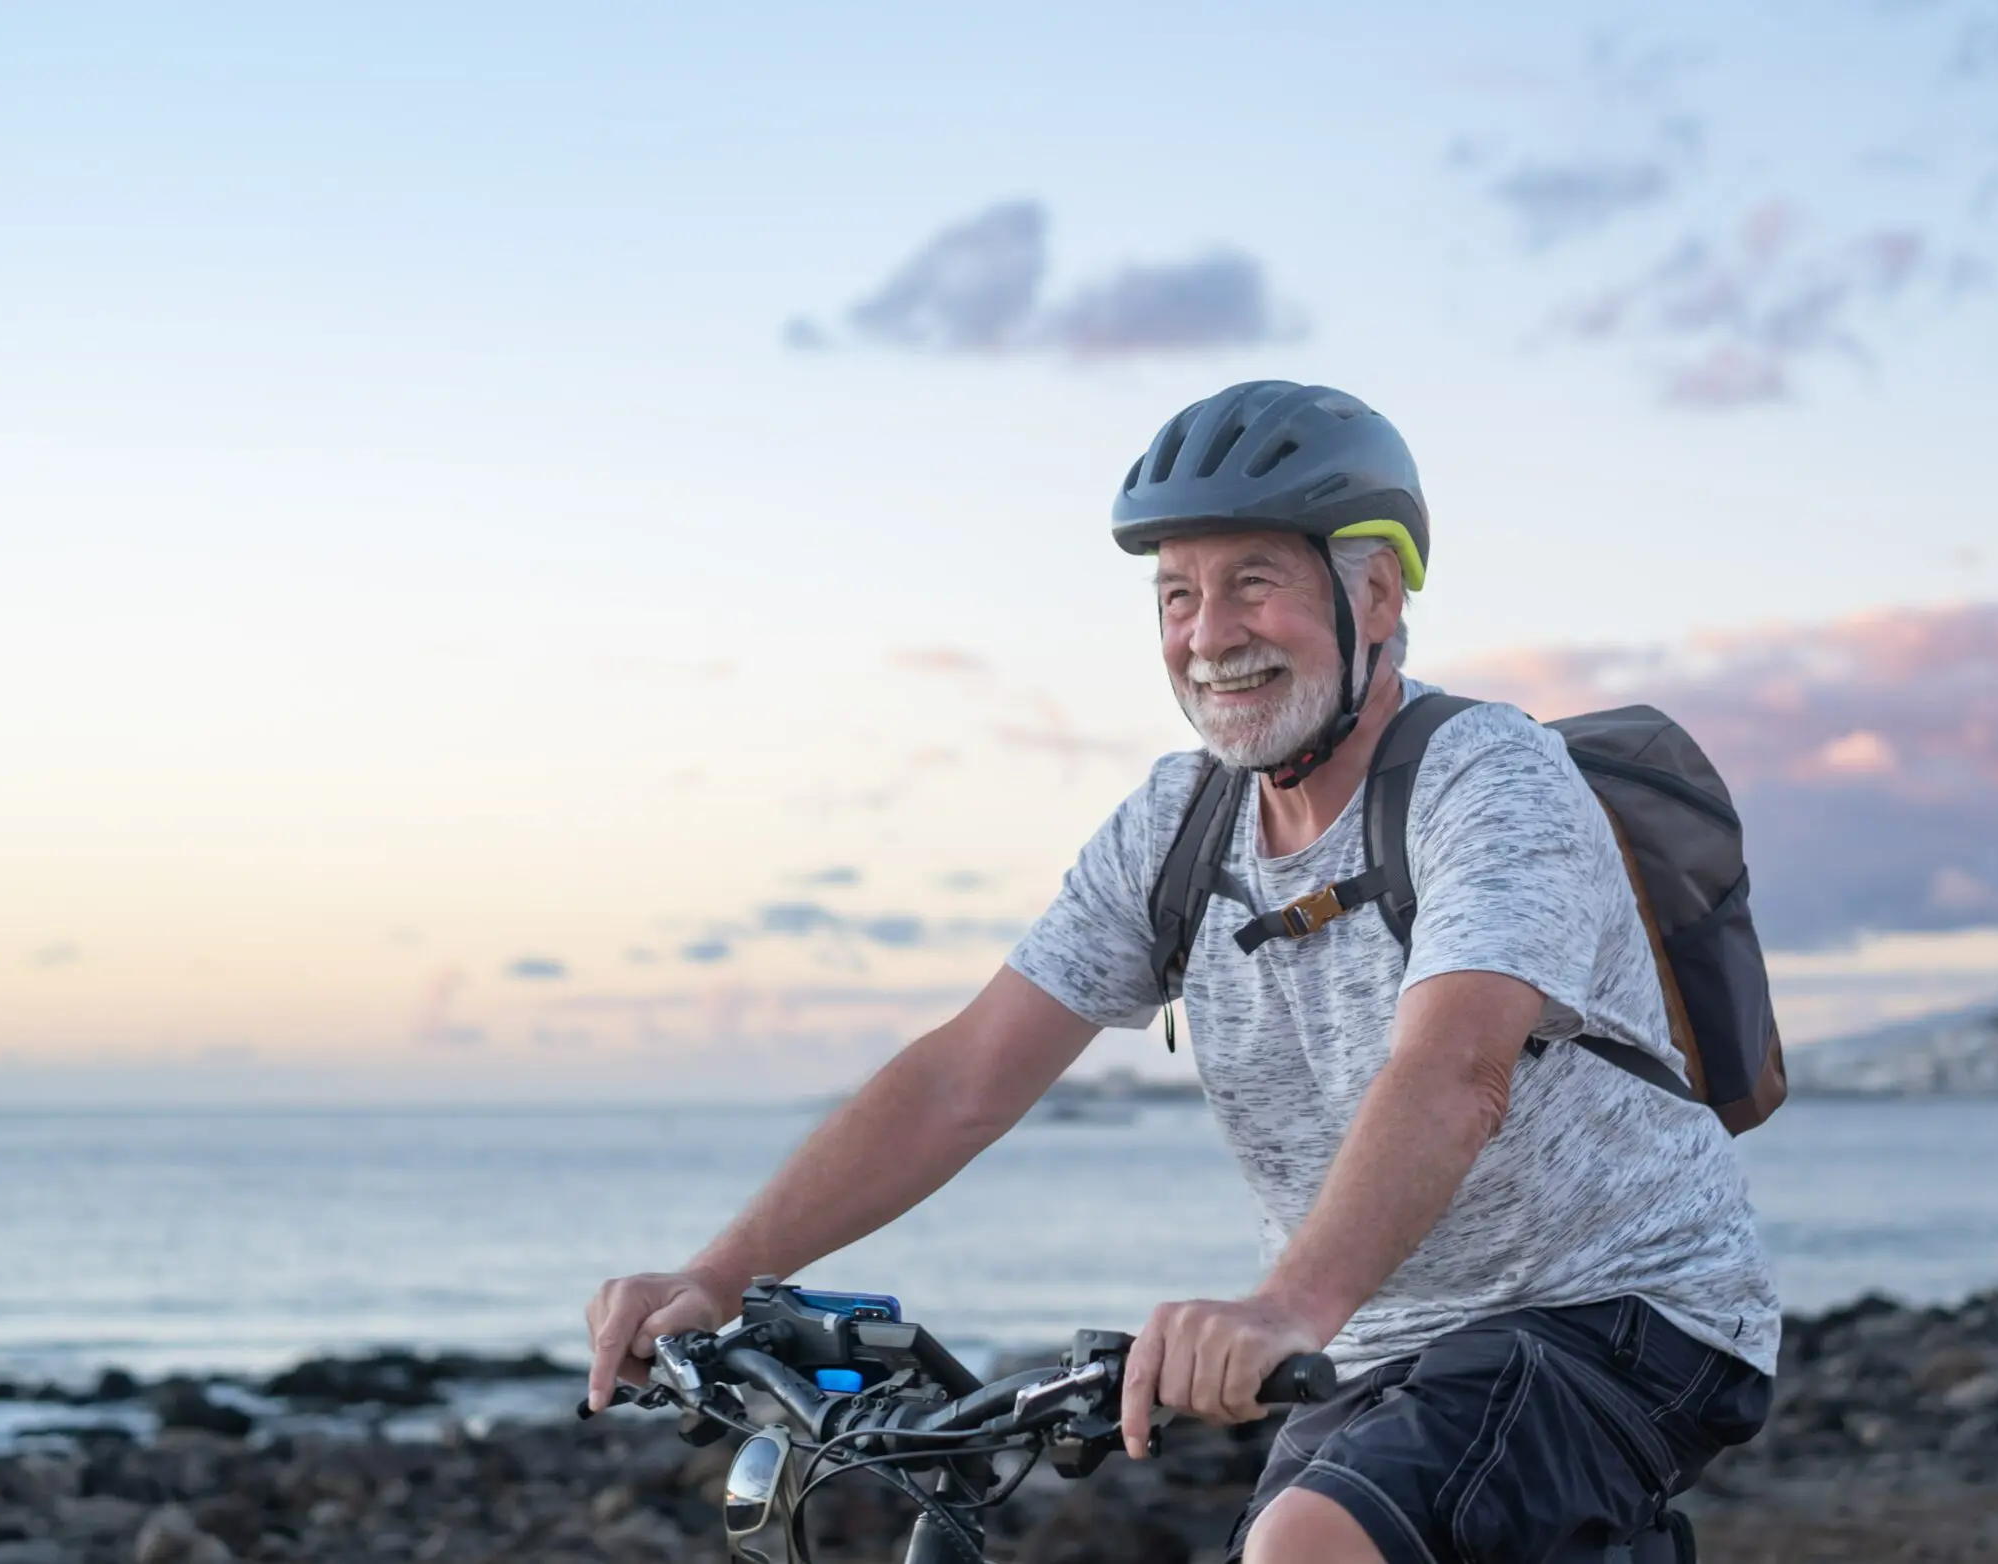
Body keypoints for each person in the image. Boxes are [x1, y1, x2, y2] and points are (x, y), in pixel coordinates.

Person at [585, 380, 1778, 1564]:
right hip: (1372, 1340)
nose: (1209, 635)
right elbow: (967, 1077)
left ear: (1374, 591)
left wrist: (1283, 1307)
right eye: (1176, 593)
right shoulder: (1177, 827)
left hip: (1620, 1308)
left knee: (1308, 1545)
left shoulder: (1488, 779)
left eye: (1253, 580)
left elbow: (1456, 1066)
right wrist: (720, 1276)